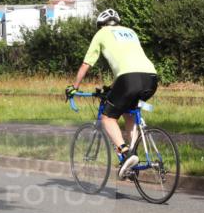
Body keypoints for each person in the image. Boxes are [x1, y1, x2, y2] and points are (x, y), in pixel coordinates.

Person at [66, 9, 158, 179]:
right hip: (151, 78)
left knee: (107, 118)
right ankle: (133, 158)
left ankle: (126, 153)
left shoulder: (102, 33)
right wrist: (112, 87)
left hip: (129, 79)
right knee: (128, 113)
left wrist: (74, 87)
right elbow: (128, 65)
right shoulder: (131, 32)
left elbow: (87, 64)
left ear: (101, 25)